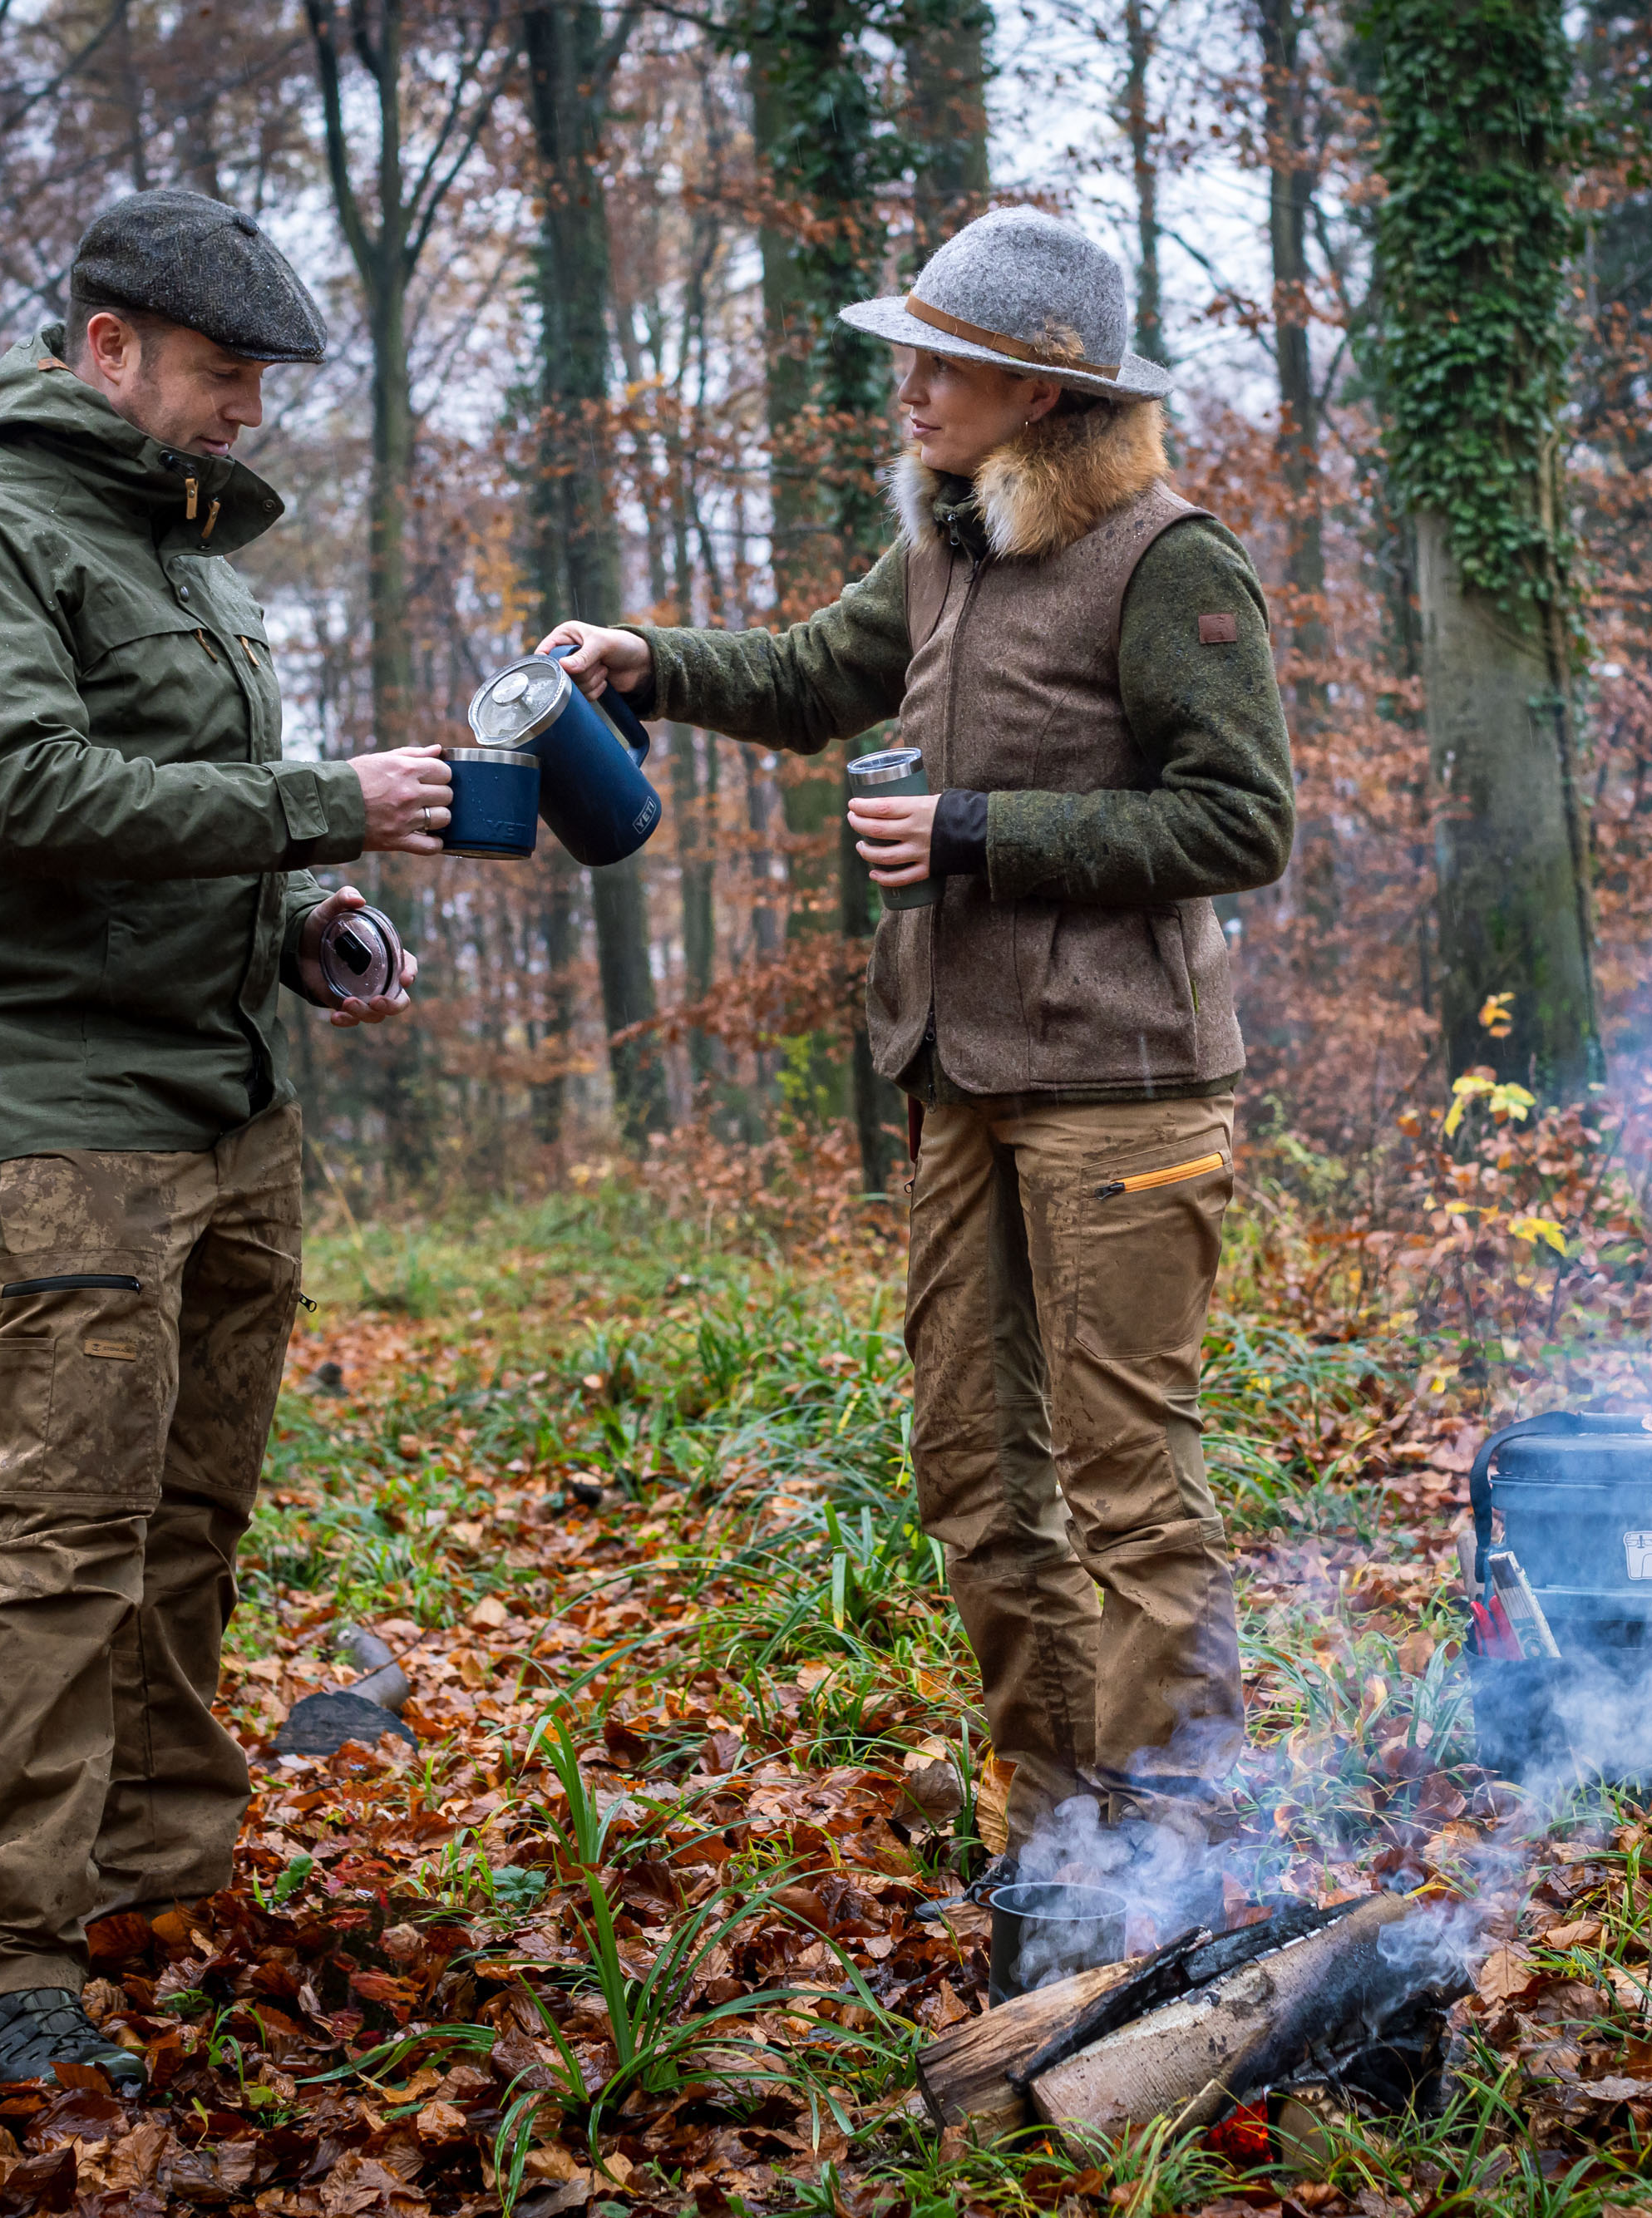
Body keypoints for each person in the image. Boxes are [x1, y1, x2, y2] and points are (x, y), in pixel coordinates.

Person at [542, 207, 1294, 1865]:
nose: (908, 385)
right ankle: (1065, 1839)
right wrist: (646, 663)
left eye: (942, 362)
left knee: (1127, 1486)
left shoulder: (1169, 560)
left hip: (1123, 1089)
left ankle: (1186, 1863)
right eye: (909, 353)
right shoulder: (944, 542)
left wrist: (977, 833)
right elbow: (817, 674)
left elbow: (1243, 820)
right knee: (974, 1475)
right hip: (956, 1082)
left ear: (1039, 392)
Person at [0, 190, 456, 2087]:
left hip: (225, 1097)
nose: (246, 410)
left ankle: (153, 1876)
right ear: (108, 348)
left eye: (262, 380)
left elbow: (189, 817)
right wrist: (322, 805)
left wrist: (306, 921)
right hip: (57, 1103)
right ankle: (5, 1956)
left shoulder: (191, 557)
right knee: (69, 1537)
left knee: (192, 1515)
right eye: (220, 372)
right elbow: (27, 795)